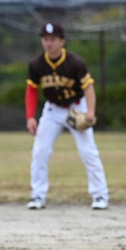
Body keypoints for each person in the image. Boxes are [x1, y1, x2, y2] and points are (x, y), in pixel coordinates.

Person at [25, 22, 110, 210]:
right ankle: (38, 195)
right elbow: (32, 89)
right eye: (45, 39)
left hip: (76, 108)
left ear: (62, 41)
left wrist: (90, 113)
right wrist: (30, 116)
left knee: (88, 152)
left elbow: (88, 88)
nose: (49, 43)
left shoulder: (75, 63)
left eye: (53, 39)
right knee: (40, 151)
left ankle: (100, 195)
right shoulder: (37, 64)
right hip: (52, 110)